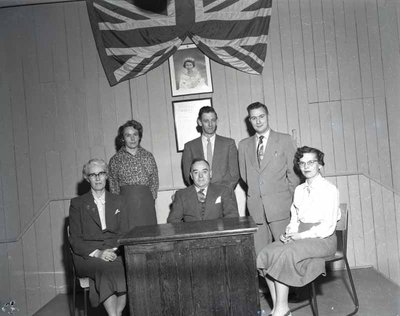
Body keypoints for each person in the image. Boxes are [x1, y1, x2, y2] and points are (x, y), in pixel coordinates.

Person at [257, 146, 341, 316]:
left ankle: (281, 310)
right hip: (301, 236)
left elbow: (328, 227)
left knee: (285, 254)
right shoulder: (299, 190)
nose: (306, 166)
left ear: (320, 165)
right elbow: (295, 219)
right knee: (266, 253)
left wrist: (300, 236)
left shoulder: (330, 190)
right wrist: (289, 233)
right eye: (302, 163)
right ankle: (278, 307)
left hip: (323, 239)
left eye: (311, 162)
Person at [69, 159, 128, 316]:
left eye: (101, 173)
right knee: (107, 268)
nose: (97, 178)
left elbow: (124, 233)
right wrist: (99, 253)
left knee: (130, 267)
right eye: (92, 174)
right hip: (87, 255)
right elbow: (75, 240)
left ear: (107, 175)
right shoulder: (77, 204)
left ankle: (117, 313)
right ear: (87, 178)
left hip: (115, 250)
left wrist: (114, 250)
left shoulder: (119, 201)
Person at [238, 102, 299, 253]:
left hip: (281, 209)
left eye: (261, 116)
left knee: (286, 253)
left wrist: (289, 202)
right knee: (261, 256)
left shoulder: (285, 140)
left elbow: (294, 175)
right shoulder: (243, 145)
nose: (258, 121)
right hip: (256, 210)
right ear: (249, 121)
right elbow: (245, 176)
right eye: (253, 118)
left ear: (267, 116)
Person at [109, 120, 159, 227]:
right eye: (128, 135)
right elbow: (113, 186)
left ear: (139, 136)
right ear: (123, 138)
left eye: (135, 135)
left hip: (146, 203)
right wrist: (118, 205)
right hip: (125, 204)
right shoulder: (115, 159)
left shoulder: (148, 156)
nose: (132, 139)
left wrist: (151, 199)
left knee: (148, 234)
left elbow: (154, 180)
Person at [182, 106, 240, 191]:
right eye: (206, 121)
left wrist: (223, 194)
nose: (210, 124)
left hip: (224, 195)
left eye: (213, 120)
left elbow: (235, 175)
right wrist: (200, 192)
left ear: (217, 121)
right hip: (199, 196)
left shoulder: (229, 144)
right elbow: (188, 176)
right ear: (199, 122)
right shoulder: (189, 147)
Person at [168, 159, 239, 222]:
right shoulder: (181, 195)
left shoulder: (224, 191)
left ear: (210, 174)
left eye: (204, 172)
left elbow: (232, 217)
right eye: (196, 172)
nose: (200, 176)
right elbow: (173, 220)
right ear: (191, 176)